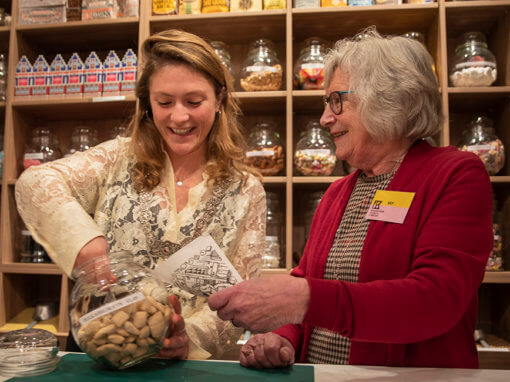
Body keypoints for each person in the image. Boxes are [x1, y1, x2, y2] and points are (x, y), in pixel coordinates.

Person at [208, 28, 493, 369]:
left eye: (336, 101)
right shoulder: (337, 192)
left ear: (386, 98)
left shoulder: (455, 174)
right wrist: (284, 335)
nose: (325, 118)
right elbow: (307, 285)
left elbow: (436, 299)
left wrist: (305, 299)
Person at [15, 29, 266, 360]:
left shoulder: (246, 189)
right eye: (164, 102)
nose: (179, 116)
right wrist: (85, 244)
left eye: (194, 101)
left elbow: (241, 301)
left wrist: (184, 337)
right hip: (107, 346)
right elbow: (36, 182)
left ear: (219, 99)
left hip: (191, 364)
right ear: (147, 102)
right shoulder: (116, 160)